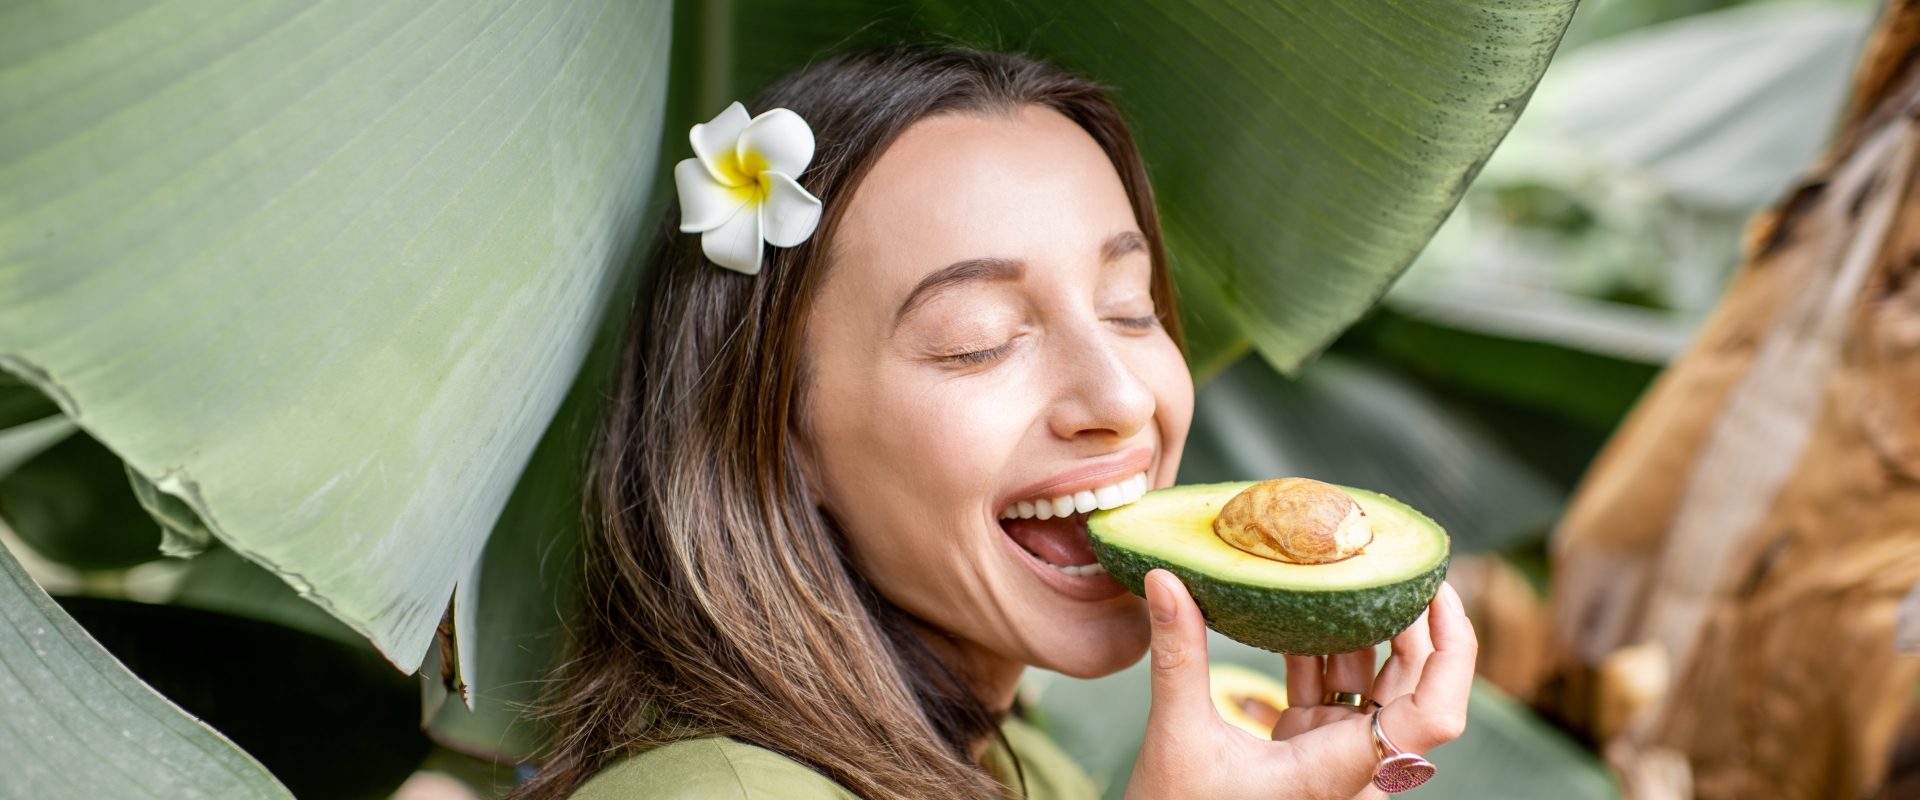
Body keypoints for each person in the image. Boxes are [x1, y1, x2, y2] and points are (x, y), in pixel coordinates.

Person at [516, 44, 1476, 800]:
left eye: (1130, 306)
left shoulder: (1028, 770)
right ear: (774, 432)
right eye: (976, 340)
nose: (1120, 400)